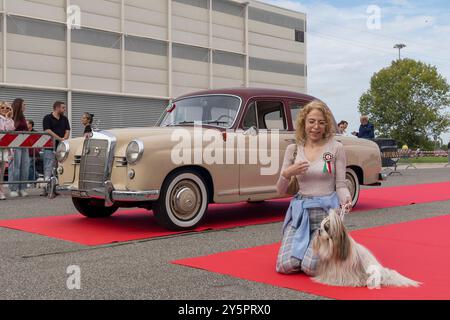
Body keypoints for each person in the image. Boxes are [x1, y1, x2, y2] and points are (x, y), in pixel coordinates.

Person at [275, 100, 352, 276]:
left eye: (321, 122)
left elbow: (340, 185)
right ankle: (312, 248)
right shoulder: (293, 149)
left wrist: (346, 199)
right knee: (285, 266)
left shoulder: (336, 148)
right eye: (311, 121)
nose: (315, 127)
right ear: (304, 122)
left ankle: (334, 247)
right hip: (300, 215)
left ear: (326, 126)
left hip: (325, 216)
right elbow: (279, 191)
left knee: (310, 268)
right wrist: (287, 173)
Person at [42, 101, 70, 196]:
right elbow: (47, 130)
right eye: (63, 108)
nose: (64, 109)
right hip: (50, 146)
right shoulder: (47, 118)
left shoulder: (64, 119)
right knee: (49, 166)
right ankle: (47, 187)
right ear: (57, 108)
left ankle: (56, 187)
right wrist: (59, 138)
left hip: (61, 147)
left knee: (59, 167)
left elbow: (67, 130)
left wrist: (65, 138)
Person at [9, 98, 30, 198]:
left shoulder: (23, 117)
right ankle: (14, 188)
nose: (25, 106)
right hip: (15, 144)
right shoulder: (12, 116)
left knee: (25, 166)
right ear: (19, 105)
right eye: (24, 104)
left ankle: (22, 188)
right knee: (15, 167)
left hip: (24, 144)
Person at [0, 101, 15, 200]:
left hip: (5, 149)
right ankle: (0, 191)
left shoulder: (10, 120)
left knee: (2, 172)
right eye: (2, 107)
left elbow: (11, 131)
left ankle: (0, 190)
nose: (5, 109)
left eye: (7, 108)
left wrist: (8, 118)